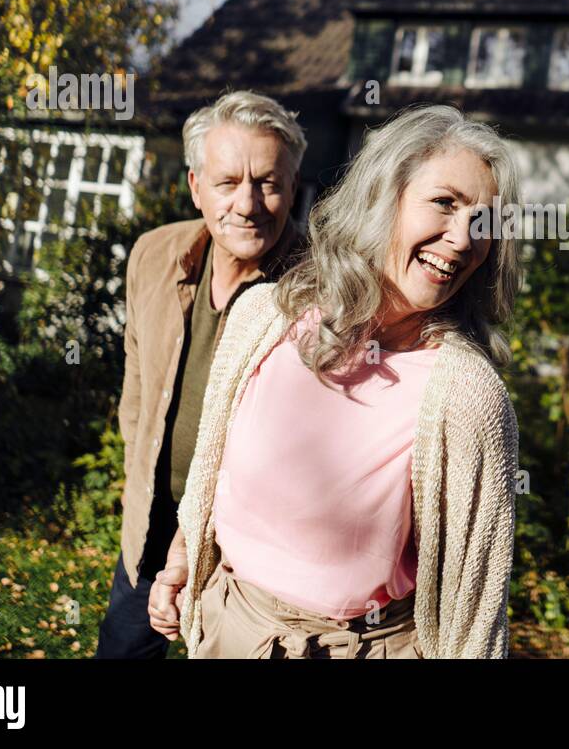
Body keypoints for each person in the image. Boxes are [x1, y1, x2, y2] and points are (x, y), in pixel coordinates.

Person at [146, 103, 522, 658]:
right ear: (380, 197)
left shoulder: (467, 393)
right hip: (231, 627)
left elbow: (476, 606)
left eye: (483, 222)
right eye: (444, 203)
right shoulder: (262, 319)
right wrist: (184, 557)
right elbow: (212, 471)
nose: (464, 239)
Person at [94, 91, 307, 659]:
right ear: (195, 186)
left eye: (268, 182)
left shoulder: (319, 289)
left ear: (292, 187)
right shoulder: (153, 255)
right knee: (122, 653)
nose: (248, 203)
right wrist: (139, 485)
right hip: (154, 525)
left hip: (252, 553)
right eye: (227, 182)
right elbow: (136, 393)